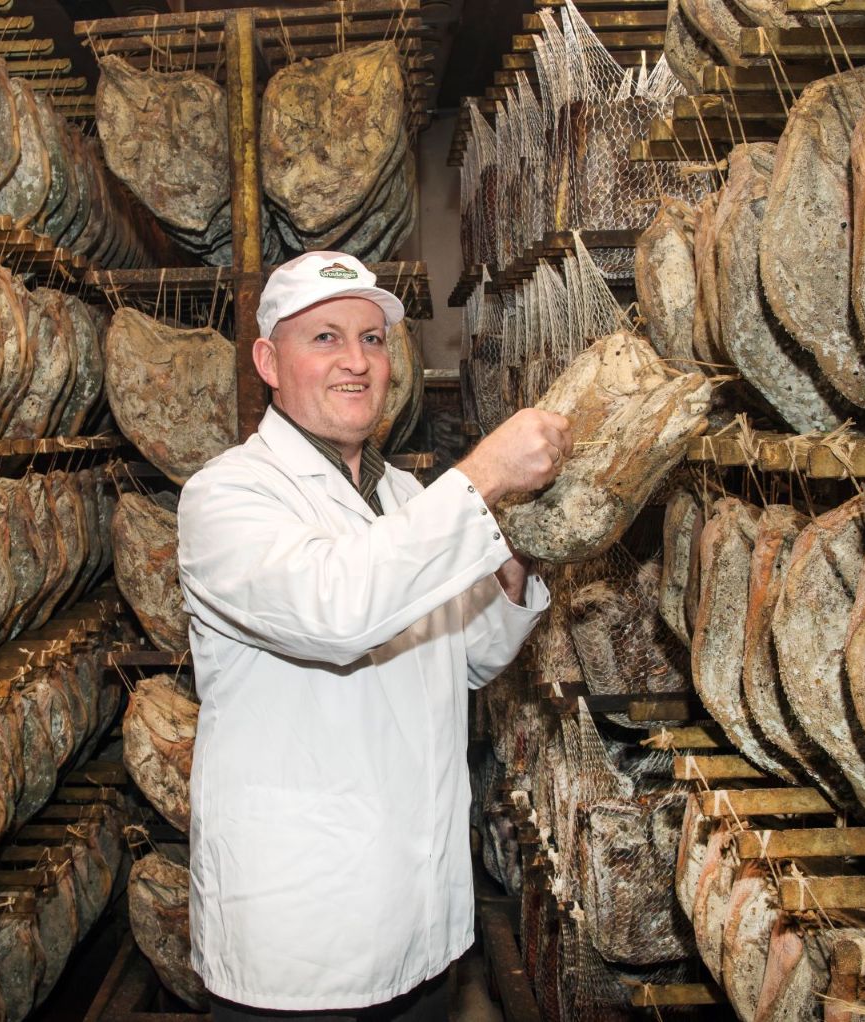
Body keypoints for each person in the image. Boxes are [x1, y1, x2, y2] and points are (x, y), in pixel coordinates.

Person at [177, 251, 572, 1019]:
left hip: (423, 927)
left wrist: (516, 555)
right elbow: (338, 612)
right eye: (324, 338)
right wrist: (486, 472)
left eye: (372, 339)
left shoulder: (403, 495)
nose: (356, 362)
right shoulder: (225, 498)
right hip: (305, 944)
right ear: (267, 360)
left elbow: (470, 657)